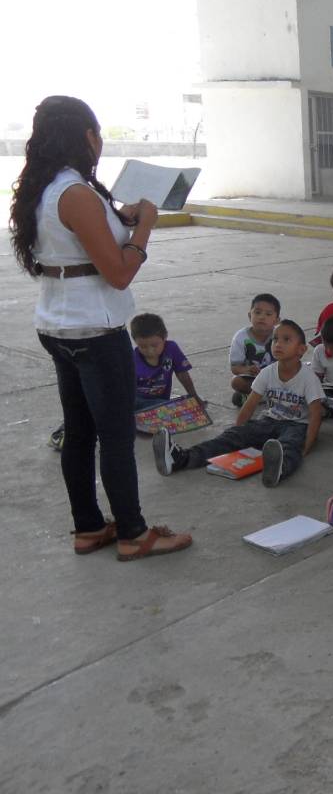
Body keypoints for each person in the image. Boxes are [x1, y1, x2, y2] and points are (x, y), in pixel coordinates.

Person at [11, 95, 191, 558]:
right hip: (94, 329)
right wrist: (145, 226)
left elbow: (79, 240)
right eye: (98, 134)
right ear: (87, 137)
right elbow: (119, 271)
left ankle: (89, 528)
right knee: (114, 435)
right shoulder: (76, 193)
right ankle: (133, 534)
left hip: (57, 326)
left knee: (79, 430)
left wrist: (121, 215)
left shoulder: (46, 188)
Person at [154, 320, 323, 488]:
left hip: (297, 425)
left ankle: (278, 469)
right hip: (269, 421)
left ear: (301, 349)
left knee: (289, 446)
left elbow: (316, 414)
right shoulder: (267, 372)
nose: (278, 344)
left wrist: (307, 446)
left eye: (286, 339)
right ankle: (180, 458)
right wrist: (238, 432)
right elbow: (249, 405)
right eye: (275, 339)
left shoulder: (308, 377)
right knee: (229, 438)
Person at [130, 313, 199, 410]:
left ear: (165, 336)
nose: (150, 351)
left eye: (154, 345)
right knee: (172, 407)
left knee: (183, 405)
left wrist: (193, 395)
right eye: (143, 347)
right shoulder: (132, 359)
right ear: (135, 341)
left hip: (161, 401)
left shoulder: (171, 348)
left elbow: (182, 373)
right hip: (138, 403)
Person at [229, 293, 281, 407]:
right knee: (236, 382)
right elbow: (235, 368)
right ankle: (271, 397)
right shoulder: (241, 337)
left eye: (268, 314)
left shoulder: (281, 335)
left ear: (277, 320)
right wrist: (247, 370)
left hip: (278, 378)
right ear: (249, 315)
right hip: (255, 380)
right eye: (257, 312)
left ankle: (258, 397)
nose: (262, 317)